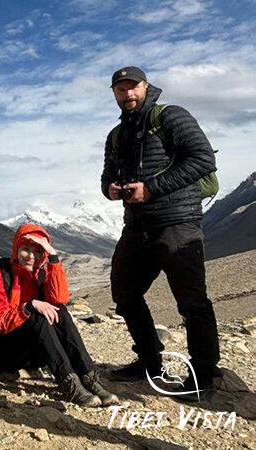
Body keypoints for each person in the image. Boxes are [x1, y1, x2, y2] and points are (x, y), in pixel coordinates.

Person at [101, 66, 219, 402]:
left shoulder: (170, 116)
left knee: (191, 300)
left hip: (177, 222)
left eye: (133, 87)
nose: (128, 94)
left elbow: (203, 159)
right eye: (120, 89)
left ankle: (203, 374)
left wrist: (151, 188)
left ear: (146, 86)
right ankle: (150, 362)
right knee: (125, 292)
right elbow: (106, 175)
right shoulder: (116, 135)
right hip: (137, 226)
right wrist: (110, 189)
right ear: (114, 93)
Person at [0, 224, 117, 407]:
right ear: (16, 249)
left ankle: (88, 377)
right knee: (37, 316)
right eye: (26, 249)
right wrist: (29, 306)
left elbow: (59, 298)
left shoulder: (41, 272)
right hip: (5, 351)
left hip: (34, 350)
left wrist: (53, 256)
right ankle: (69, 383)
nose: (31, 256)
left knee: (59, 310)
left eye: (38, 251)